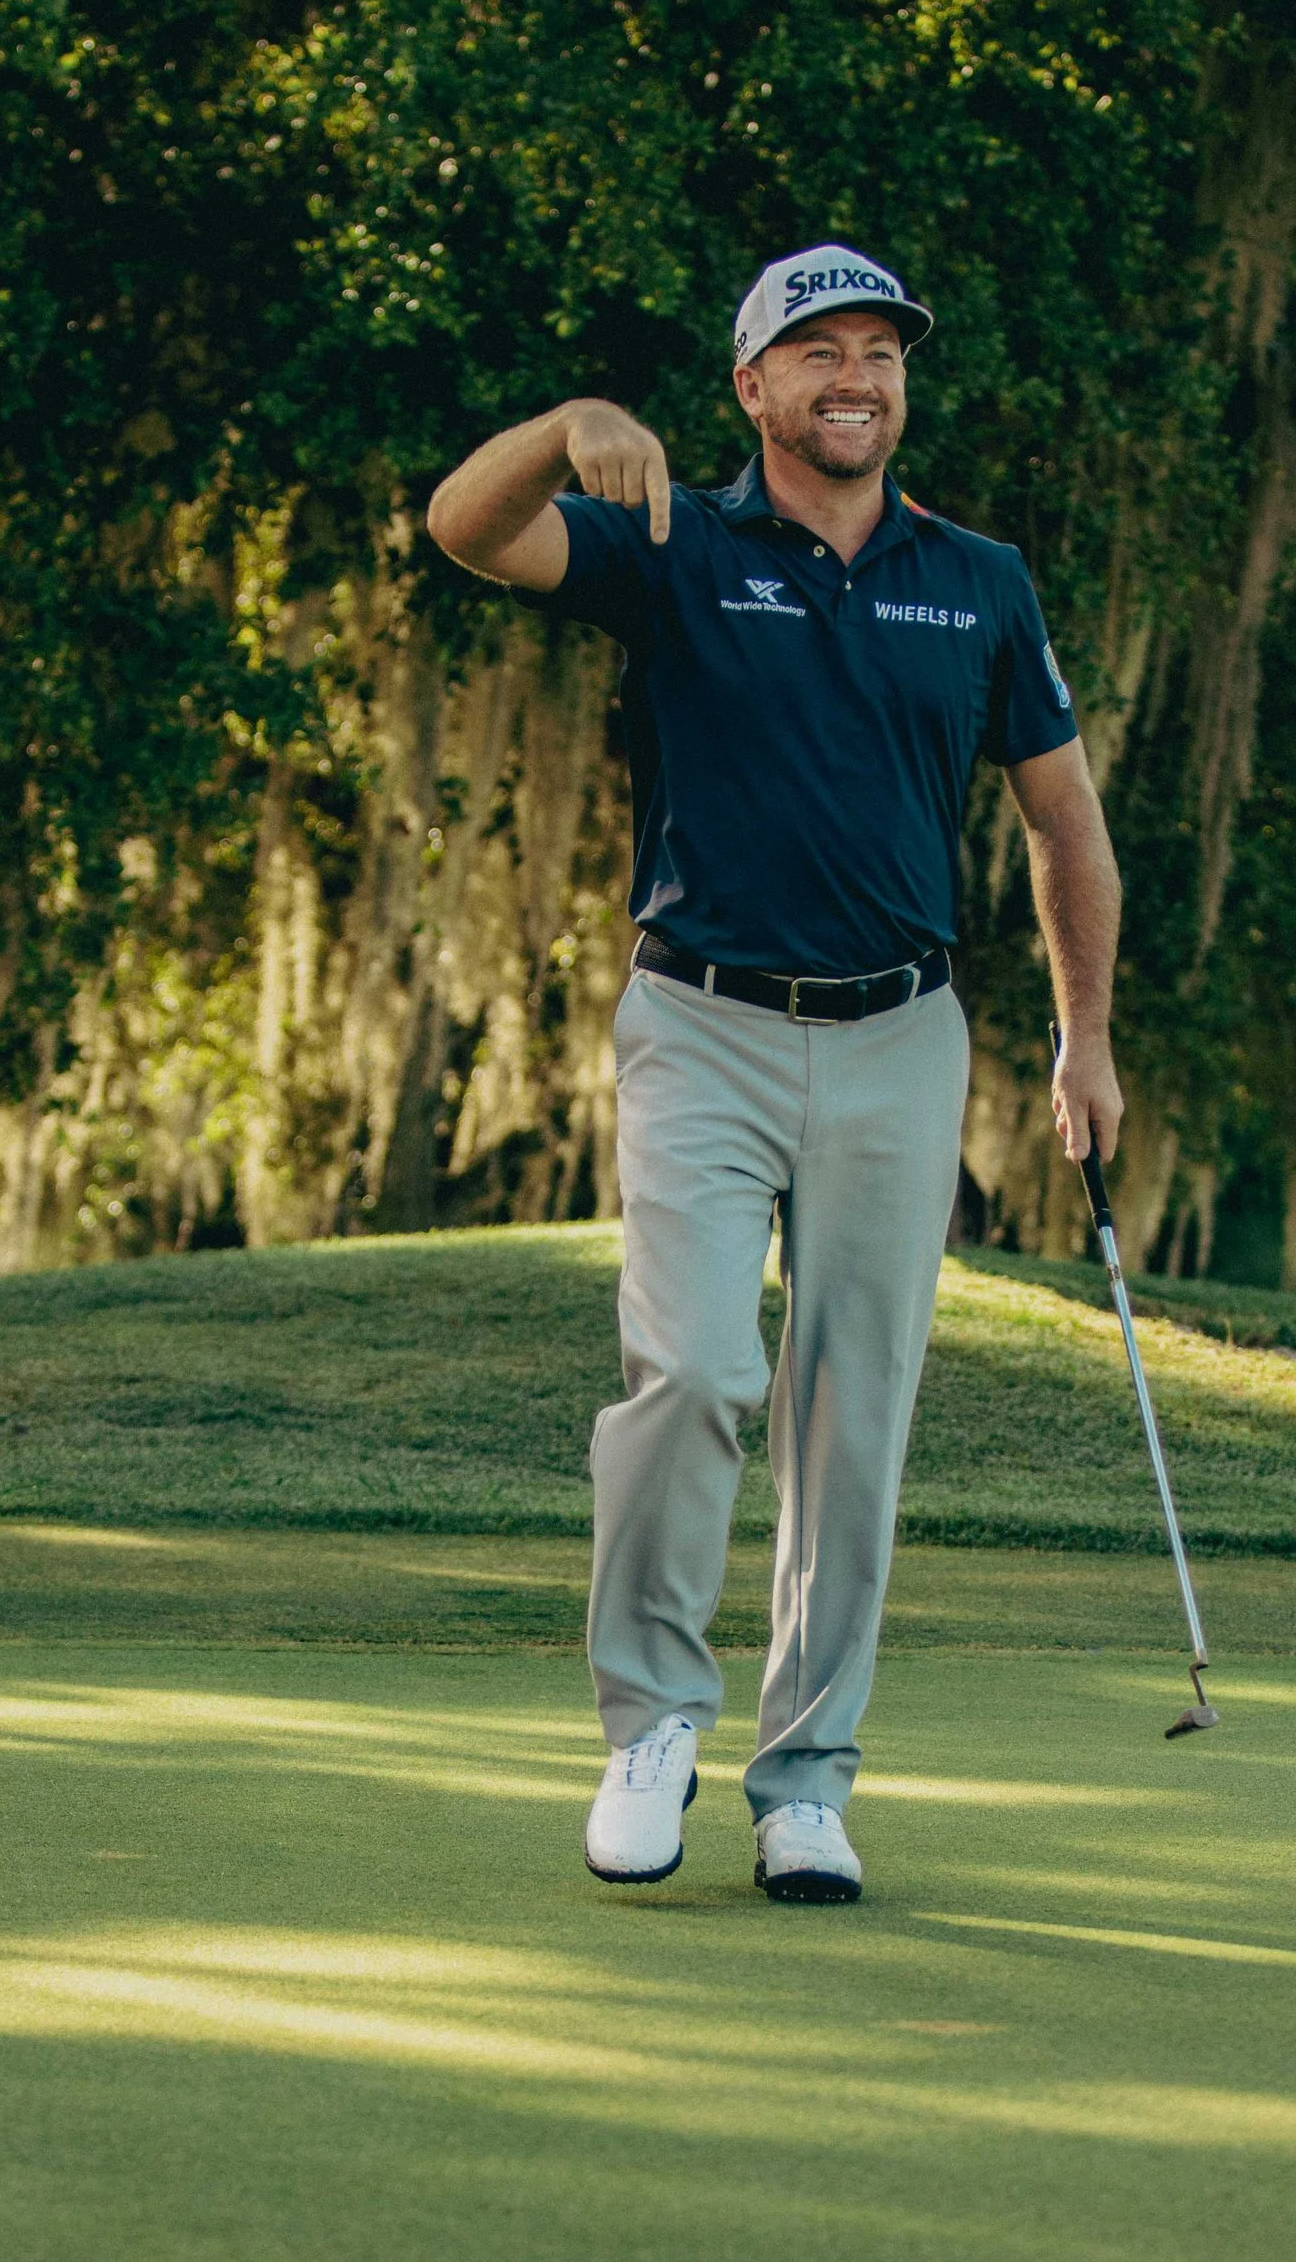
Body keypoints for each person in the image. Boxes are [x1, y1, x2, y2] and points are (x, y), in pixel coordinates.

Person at [426, 240, 1124, 1901]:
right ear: (753, 388)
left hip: (903, 1035)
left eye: (881, 351)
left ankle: (806, 1781)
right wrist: (569, 424)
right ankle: (651, 1724)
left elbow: (1063, 823)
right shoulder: (672, 542)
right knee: (688, 1371)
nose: (855, 377)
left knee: (851, 1416)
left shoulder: (981, 581)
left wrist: (1086, 1033)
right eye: (820, 352)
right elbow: (466, 527)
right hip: (705, 1023)